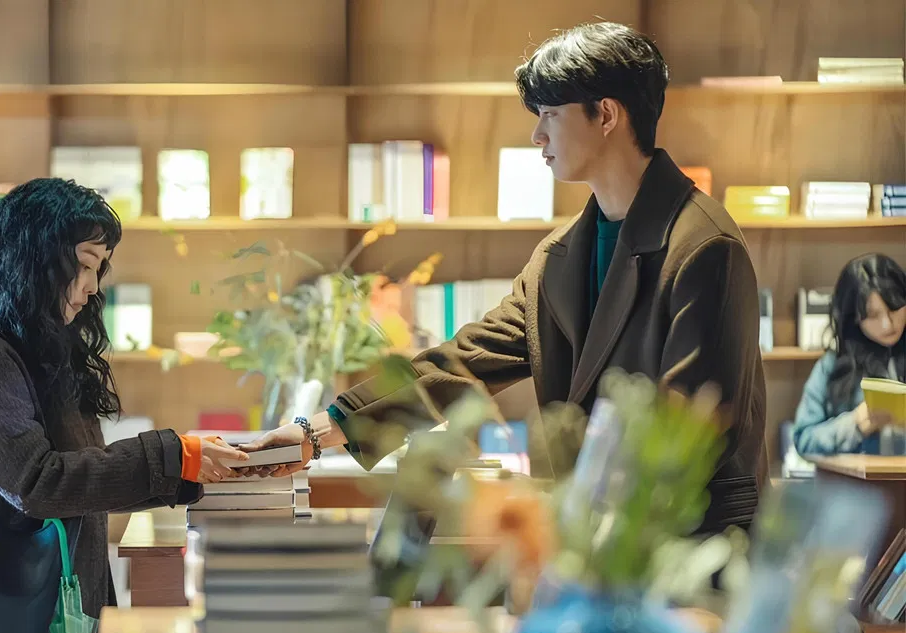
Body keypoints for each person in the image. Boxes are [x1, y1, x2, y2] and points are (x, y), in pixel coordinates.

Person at [241, 21, 767, 536]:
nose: (538, 135)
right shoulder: (559, 255)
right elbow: (463, 364)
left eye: (551, 113)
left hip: (686, 548)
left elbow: (691, 428)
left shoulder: (704, 247)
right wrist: (314, 433)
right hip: (598, 542)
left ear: (606, 114)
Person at [0, 178, 248, 633]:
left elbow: (82, 482)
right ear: (36, 260)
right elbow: (39, 483)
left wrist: (185, 466)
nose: (92, 287)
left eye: (100, 269)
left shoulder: (42, 354)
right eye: (84, 265)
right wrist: (171, 456)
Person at [792, 253, 906, 456]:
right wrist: (855, 424)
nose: (887, 324)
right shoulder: (833, 364)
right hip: (859, 475)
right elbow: (804, 439)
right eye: (873, 315)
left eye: (894, 308)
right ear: (853, 318)